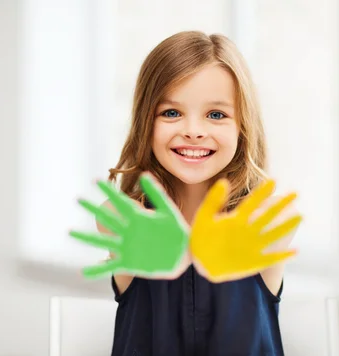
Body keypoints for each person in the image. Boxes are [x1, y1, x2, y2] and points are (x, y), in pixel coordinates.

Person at [99, 30, 298, 356]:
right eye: (171, 113)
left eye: (216, 115)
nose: (193, 130)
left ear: (242, 127)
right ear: (145, 122)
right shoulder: (122, 217)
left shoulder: (268, 218)